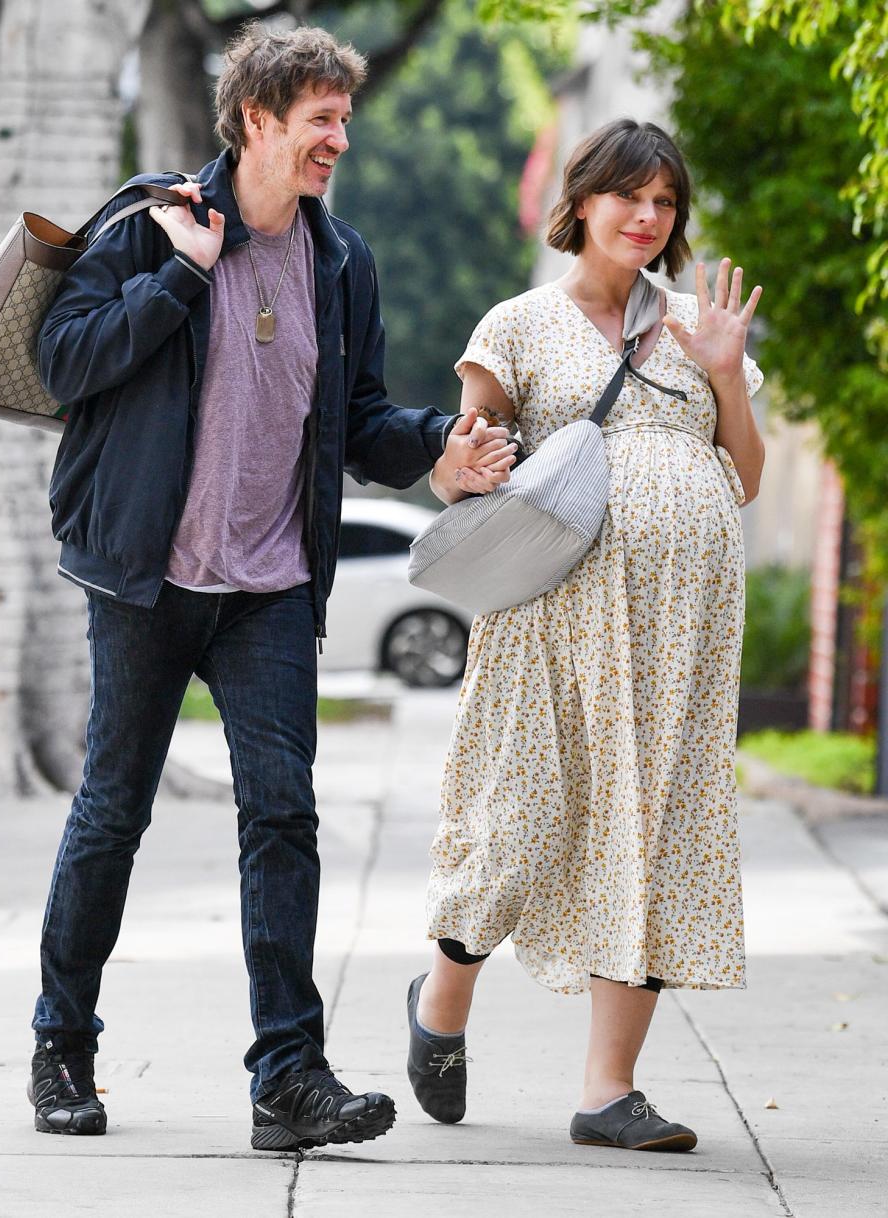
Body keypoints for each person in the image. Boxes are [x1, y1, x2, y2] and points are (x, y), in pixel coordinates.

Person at [28, 22, 515, 1150]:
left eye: (344, 119)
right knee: (112, 815)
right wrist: (182, 283)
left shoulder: (340, 260)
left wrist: (440, 444)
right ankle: (63, 1044)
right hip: (145, 578)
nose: (339, 139)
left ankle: (287, 1078)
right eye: (320, 121)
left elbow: (359, 419)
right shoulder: (153, 223)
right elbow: (66, 362)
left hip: (272, 589)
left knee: (283, 817)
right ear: (255, 119)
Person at [405, 118, 765, 1152]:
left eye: (665, 203)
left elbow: (745, 478)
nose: (648, 218)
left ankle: (609, 1092)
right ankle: (441, 1004)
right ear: (584, 203)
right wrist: (460, 464)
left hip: (679, 635)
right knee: (514, 817)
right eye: (629, 197)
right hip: (551, 618)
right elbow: (460, 469)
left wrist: (728, 375)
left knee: (653, 829)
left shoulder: (699, 325)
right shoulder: (517, 323)